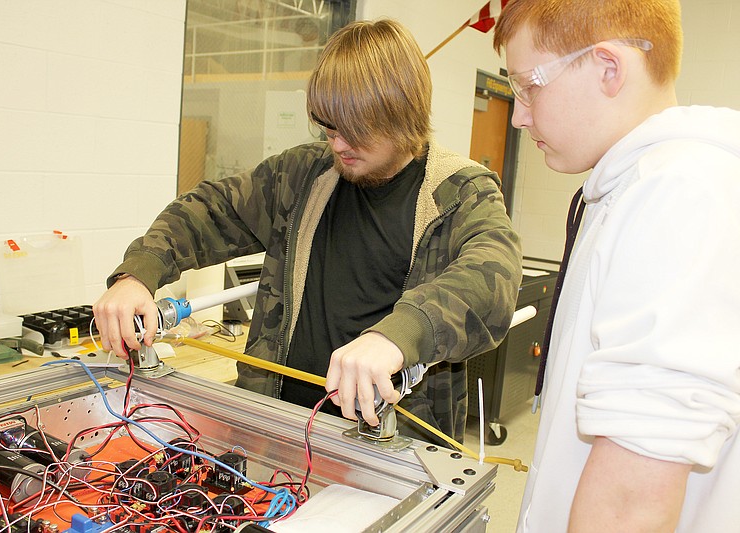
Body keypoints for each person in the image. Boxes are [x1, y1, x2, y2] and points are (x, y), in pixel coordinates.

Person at [94, 18, 522, 444]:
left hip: (392, 444)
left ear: (402, 115)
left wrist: (400, 335)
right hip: (278, 427)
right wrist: (137, 274)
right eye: (329, 128)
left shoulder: (460, 193)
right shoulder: (303, 175)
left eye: (354, 131)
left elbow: (492, 278)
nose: (337, 145)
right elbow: (209, 209)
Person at [493, 0, 740, 531]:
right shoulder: (624, 187)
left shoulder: (680, 192)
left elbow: (634, 496)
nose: (518, 115)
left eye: (528, 86)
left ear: (608, 68)